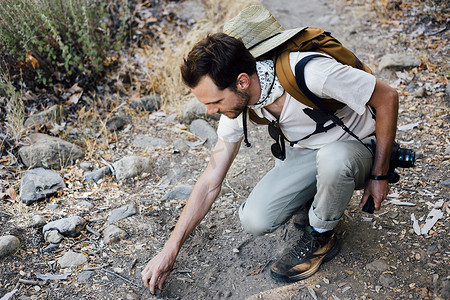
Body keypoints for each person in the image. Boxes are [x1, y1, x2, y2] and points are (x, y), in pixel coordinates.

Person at [141, 5, 398, 293]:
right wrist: (170, 248)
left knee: (333, 159)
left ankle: (321, 236)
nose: (211, 112)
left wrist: (380, 174)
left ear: (242, 81)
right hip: (310, 152)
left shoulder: (311, 72)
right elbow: (210, 180)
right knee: (255, 219)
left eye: (214, 101)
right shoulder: (238, 105)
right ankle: (314, 196)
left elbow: (387, 97)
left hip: (357, 147)